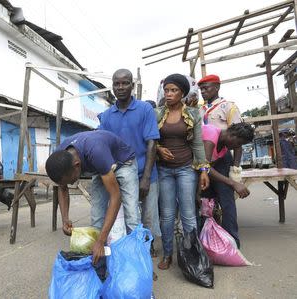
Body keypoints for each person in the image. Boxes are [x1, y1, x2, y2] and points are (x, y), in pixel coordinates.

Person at [45, 130, 140, 264]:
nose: (71, 183)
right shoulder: (61, 157)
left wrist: (101, 241)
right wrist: (65, 219)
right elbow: (62, 187)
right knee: (97, 218)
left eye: (70, 180)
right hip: (100, 167)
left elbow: (116, 197)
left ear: (77, 166)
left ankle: (139, 264)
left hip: (124, 163)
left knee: (132, 217)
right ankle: (99, 265)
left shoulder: (96, 151)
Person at [98, 69, 161, 256]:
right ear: (112, 87)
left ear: (132, 86)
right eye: (116, 84)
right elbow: (102, 143)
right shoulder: (107, 116)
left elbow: (152, 142)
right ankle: (132, 258)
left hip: (146, 173)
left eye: (125, 83)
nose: (121, 87)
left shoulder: (145, 109)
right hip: (121, 177)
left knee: (148, 219)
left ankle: (145, 258)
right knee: (126, 219)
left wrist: (147, 178)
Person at [155, 73, 210, 270]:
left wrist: (203, 170)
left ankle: (192, 254)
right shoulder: (157, 113)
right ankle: (168, 254)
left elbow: (197, 144)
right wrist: (159, 150)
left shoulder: (194, 114)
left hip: (186, 168)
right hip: (164, 171)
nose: (169, 94)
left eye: (174, 90)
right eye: (167, 90)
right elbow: (151, 140)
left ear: (183, 93)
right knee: (167, 215)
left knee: (188, 214)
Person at [198, 74, 243, 247]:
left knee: (226, 200)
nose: (203, 91)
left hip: (222, 155)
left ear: (217, 87)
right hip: (204, 158)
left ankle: (232, 242)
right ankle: (209, 240)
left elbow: (238, 138)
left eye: (206, 87)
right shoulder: (200, 109)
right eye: (201, 88)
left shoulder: (228, 107)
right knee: (206, 201)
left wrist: (236, 168)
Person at [202, 123, 254, 200]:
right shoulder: (211, 135)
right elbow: (204, 167)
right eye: (239, 143)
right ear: (232, 135)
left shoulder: (224, 148)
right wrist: (233, 183)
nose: (238, 147)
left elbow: (208, 168)